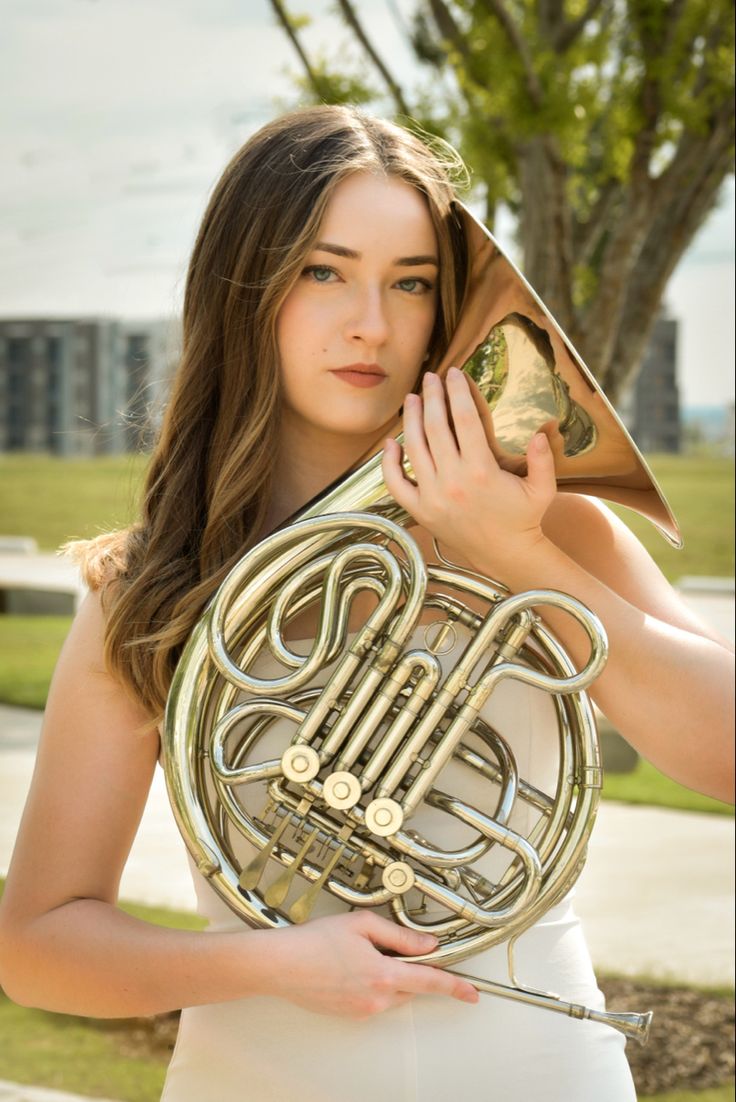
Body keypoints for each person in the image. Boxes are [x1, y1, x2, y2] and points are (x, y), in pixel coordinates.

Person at [0, 105, 732, 1102]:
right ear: (245, 289)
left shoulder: (544, 527)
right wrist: (276, 963)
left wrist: (513, 553)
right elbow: (37, 942)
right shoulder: (155, 584)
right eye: (323, 271)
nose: (371, 325)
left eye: (412, 283)